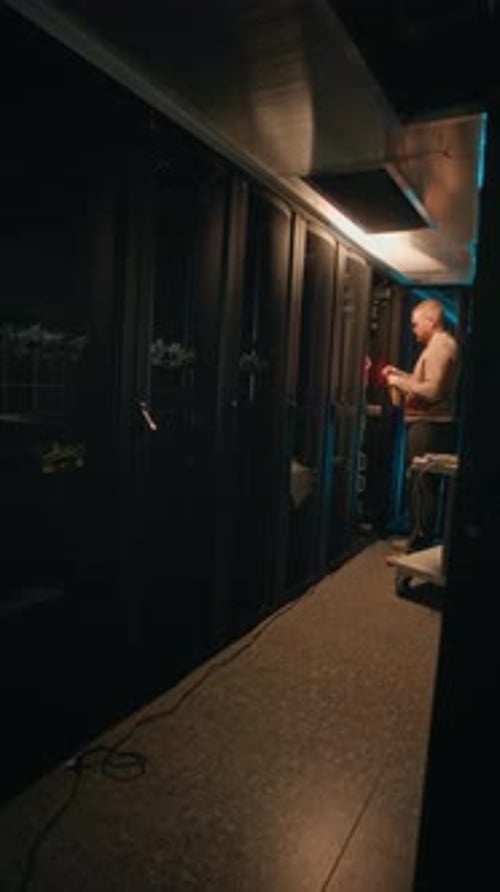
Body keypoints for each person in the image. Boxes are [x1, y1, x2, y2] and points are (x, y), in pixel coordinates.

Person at [382, 298, 459, 553]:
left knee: (422, 483)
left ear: (431, 321)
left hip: (429, 425)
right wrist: (402, 375)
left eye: (416, 324)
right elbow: (424, 382)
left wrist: (399, 382)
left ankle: (418, 542)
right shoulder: (442, 345)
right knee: (423, 483)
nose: (413, 329)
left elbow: (433, 390)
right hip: (430, 424)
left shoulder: (439, 347)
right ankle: (419, 538)